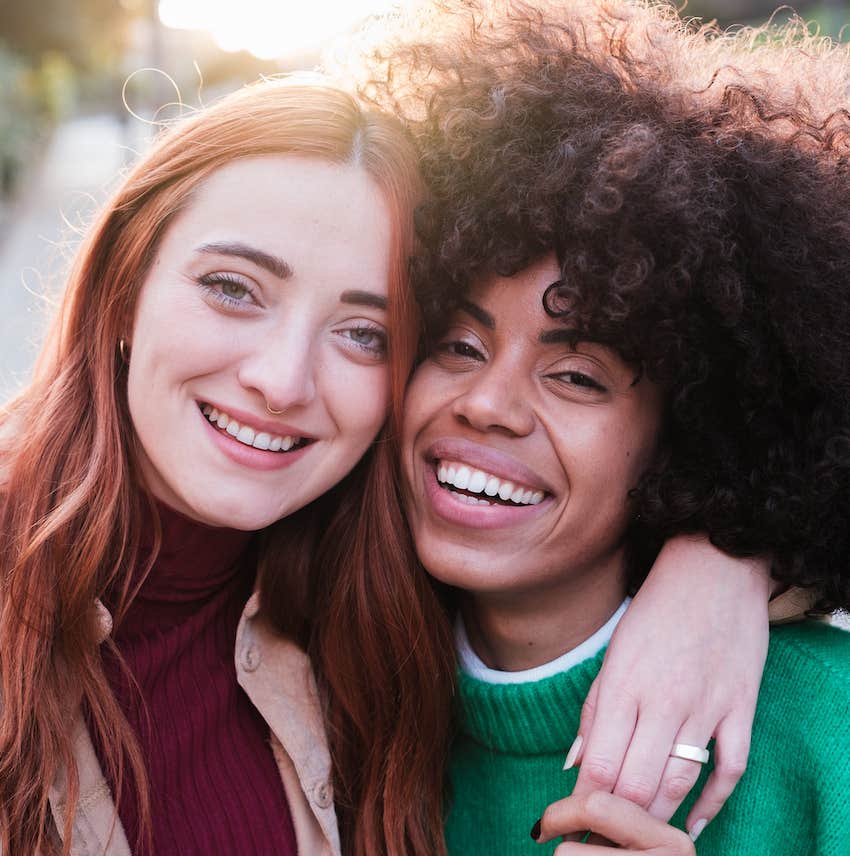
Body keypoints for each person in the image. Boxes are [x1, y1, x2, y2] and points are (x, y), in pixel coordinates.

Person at [361, 0, 850, 852]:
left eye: (578, 375)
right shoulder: (325, 689)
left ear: (691, 434)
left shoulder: (823, 724)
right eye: (457, 342)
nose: (488, 403)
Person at [0, 77, 434, 855]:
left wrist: (715, 569)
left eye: (364, 333)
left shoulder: (382, 621)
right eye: (234, 290)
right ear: (125, 286)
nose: (284, 380)